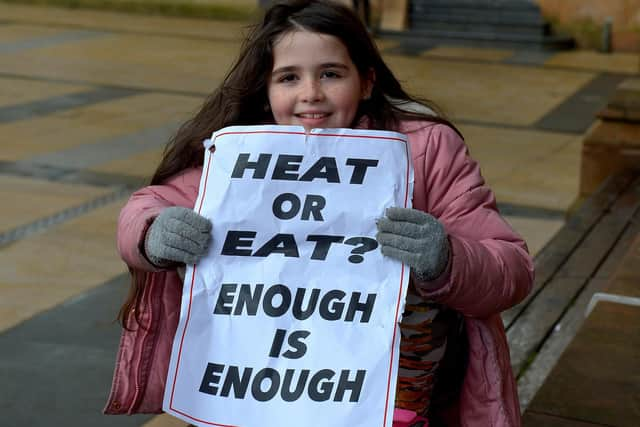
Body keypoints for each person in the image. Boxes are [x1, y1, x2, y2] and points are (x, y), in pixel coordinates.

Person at [104, 0, 534, 426]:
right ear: (266, 90)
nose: (311, 93)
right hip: (264, 393)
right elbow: (146, 206)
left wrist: (446, 259)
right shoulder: (241, 155)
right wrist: (153, 233)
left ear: (366, 81)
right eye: (289, 77)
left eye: (331, 73)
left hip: (395, 402)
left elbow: (511, 268)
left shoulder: (425, 148)